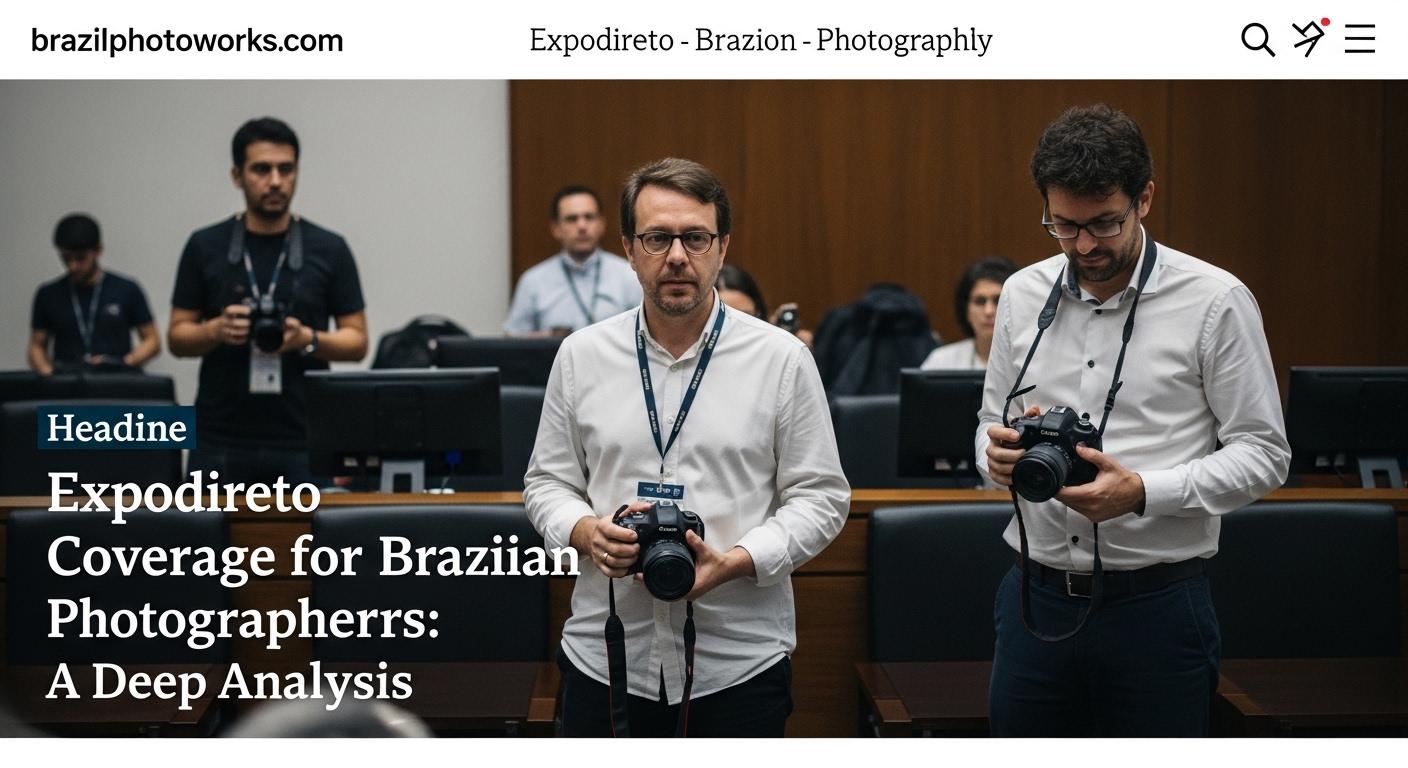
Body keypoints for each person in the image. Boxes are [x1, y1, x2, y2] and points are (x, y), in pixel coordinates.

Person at [977, 104, 1290, 737]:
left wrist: (1143, 492)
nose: (1084, 246)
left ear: (1144, 198)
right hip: (1031, 601)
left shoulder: (1214, 302)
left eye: (1103, 224)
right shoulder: (1020, 294)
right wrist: (999, 458)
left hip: (1157, 609)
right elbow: (987, 429)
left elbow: (1264, 454)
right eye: (1063, 226)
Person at [524, 158, 849, 737]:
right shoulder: (581, 355)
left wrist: (739, 561)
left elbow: (821, 497)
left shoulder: (781, 360)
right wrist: (584, 531)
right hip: (607, 658)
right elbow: (547, 483)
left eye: (695, 238)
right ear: (628, 247)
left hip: (738, 665)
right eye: (657, 238)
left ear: (722, 248)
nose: (677, 256)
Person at [168, 117, 368, 485]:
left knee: (314, 544)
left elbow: (357, 341)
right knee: (206, 544)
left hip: (304, 438)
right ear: (237, 176)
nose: (275, 181)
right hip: (219, 438)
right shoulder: (204, 246)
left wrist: (308, 339)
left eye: (285, 169)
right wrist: (215, 330)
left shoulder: (329, 248)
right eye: (261, 169)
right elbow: (177, 338)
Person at [28, 213, 159, 375]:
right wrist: (47, 372)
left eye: (80, 258)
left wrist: (125, 362)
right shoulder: (48, 294)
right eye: (66, 259)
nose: (73, 266)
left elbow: (152, 340)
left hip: (118, 382)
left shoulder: (127, 289)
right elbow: (36, 345)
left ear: (98, 251)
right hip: (68, 384)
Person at [503, 185, 642, 336]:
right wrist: (547, 337)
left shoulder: (630, 275)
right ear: (556, 228)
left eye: (589, 217)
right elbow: (512, 338)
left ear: (601, 224)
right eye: (572, 219)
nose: (582, 226)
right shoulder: (533, 281)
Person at [920, 256, 1016, 370]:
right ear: (966, 310)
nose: (988, 311)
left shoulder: (1035, 362)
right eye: (979, 301)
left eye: (997, 300)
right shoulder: (940, 362)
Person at [716, 263, 814, 347]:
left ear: (759, 312)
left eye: (746, 316)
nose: (736, 326)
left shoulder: (783, 347)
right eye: (726, 317)